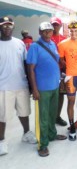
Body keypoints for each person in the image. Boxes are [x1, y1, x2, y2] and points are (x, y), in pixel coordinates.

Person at [26, 22, 67, 157]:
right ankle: (42, 144)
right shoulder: (34, 47)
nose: (47, 33)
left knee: (52, 114)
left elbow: (55, 63)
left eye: (49, 30)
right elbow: (30, 69)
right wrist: (34, 89)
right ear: (40, 32)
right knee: (42, 117)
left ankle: (51, 134)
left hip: (54, 86)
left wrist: (60, 80)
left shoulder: (53, 44)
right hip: (42, 89)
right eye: (44, 31)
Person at [0, 16, 37, 156]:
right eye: (4, 25)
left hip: (21, 85)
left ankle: (26, 134)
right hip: (3, 87)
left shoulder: (19, 44)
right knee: (2, 116)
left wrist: (31, 84)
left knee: (24, 112)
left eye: (9, 25)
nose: (7, 28)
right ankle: (1, 141)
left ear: (13, 27)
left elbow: (27, 64)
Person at [50, 16, 68, 127]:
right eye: (53, 24)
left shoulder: (64, 39)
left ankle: (57, 116)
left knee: (61, 94)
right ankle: (50, 117)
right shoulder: (47, 38)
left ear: (60, 25)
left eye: (57, 24)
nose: (55, 26)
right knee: (51, 94)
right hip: (51, 71)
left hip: (61, 70)